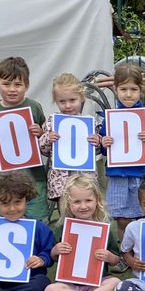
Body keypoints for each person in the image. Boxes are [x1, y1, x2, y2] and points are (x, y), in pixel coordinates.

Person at [98, 63, 145, 236]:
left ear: (141, 90)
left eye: (133, 89)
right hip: (118, 175)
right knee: (122, 219)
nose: (128, 94)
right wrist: (104, 144)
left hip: (143, 174)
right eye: (123, 89)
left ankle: (144, 252)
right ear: (116, 90)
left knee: (144, 217)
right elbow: (105, 150)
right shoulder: (110, 117)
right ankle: (125, 255)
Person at [42, 175, 124, 291]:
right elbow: (53, 257)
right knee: (50, 290)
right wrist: (56, 250)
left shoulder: (104, 229)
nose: (83, 206)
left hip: (98, 282)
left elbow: (116, 259)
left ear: (97, 201)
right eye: (77, 202)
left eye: (88, 200)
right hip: (70, 284)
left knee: (115, 283)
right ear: (69, 204)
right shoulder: (62, 229)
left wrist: (109, 256)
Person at [0, 56, 48, 221]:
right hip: (5, 178)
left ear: (26, 85)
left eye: (18, 84)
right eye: (6, 84)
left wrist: (40, 133)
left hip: (34, 176)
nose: (12, 89)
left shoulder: (34, 107)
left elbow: (46, 139)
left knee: (38, 218)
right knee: (9, 218)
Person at [38, 73, 100, 214]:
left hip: (85, 179)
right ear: (56, 101)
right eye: (62, 101)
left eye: (72, 100)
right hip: (61, 181)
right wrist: (48, 139)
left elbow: (97, 150)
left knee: (87, 213)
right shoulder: (52, 121)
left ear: (81, 98)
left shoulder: (90, 122)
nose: (67, 105)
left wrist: (97, 142)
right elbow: (43, 150)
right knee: (65, 215)